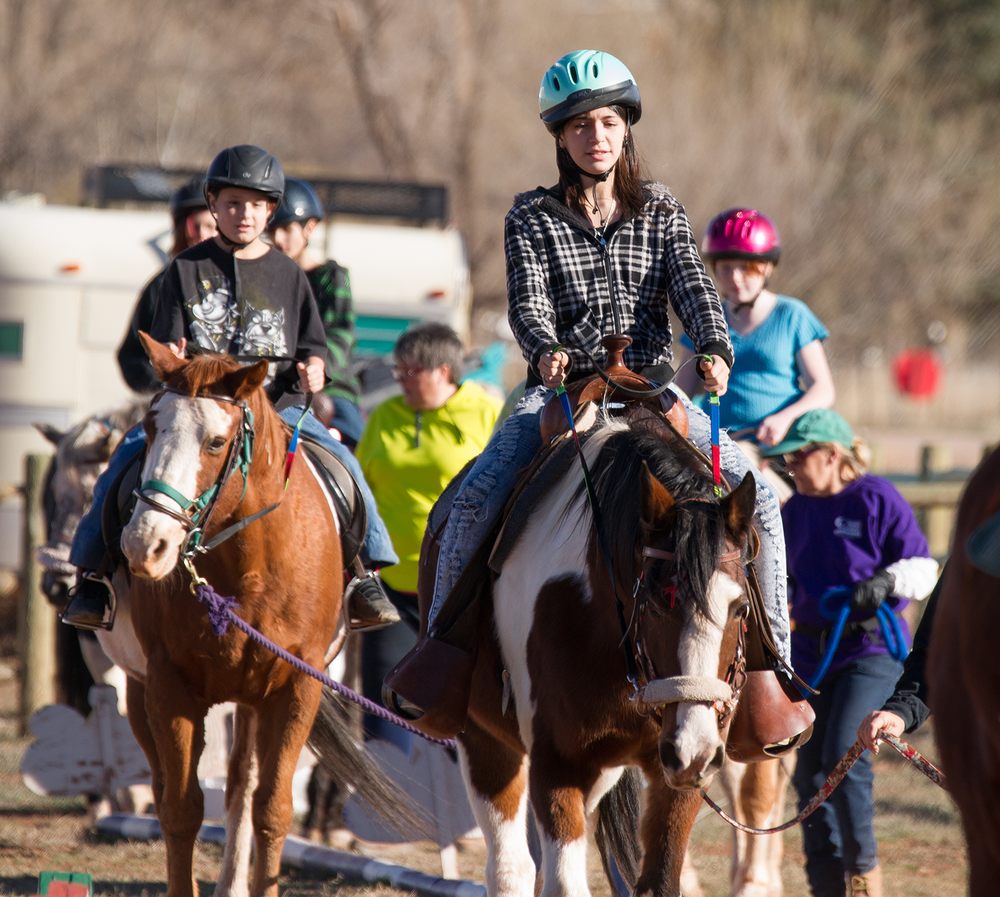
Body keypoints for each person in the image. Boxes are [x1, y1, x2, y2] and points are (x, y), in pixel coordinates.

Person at [384, 49, 792, 727]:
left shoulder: (660, 209)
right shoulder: (530, 217)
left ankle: (766, 670)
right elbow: (528, 304)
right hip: (561, 392)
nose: (595, 136)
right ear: (559, 136)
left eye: (607, 121)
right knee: (473, 497)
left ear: (626, 126)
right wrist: (544, 351)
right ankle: (443, 654)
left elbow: (693, 285)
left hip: (653, 394)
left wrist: (714, 344)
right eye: (579, 126)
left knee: (764, 503)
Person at [62, 144, 399, 632]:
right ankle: (93, 578)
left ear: (271, 210)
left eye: (257, 205)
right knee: (126, 459)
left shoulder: (290, 275)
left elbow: (313, 343)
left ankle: (365, 578)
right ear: (214, 204)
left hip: (274, 409)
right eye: (233, 203)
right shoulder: (183, 269)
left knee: (342, 461)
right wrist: (172, 358)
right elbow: (164, 344)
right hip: (196, 411)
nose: (245, 214)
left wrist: (316, 367)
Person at [761, 409, 938, 897]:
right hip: (810, 657)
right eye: (786, 460)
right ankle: (825, 881)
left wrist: (884, 583)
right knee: (809, 772)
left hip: (869, 649)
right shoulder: (792, 513)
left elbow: (924, 566)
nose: (791, 467)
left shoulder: (875, 497)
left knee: (847, 746)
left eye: (799, 456)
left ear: (831, 454)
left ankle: (863, 876)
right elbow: (781, 581)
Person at [355, 323, 501, 747]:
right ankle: (386, 799)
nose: (400, 381)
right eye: (397, 372)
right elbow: (363, 489)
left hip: (460, 592)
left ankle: (459, 801)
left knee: (461, 708)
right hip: (394, 585)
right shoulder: (385, 415)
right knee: (384, 706)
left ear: (442, 371)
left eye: (409, 372)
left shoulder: (485, 412)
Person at [268, 178, 365, 449]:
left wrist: (318, 367)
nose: (278, 239)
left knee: (353, 450)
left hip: (329, 387)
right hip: (277, 387)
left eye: (287, 229)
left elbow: (341, 335)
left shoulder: (331, 278)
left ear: (309, 227)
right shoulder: (263, 279)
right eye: (272, 229)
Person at [116, 177, 218, 394]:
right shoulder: (162, 285)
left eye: (210, 226)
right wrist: (167, 381)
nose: (201, 235)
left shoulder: (240, 280)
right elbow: (132, 356)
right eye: (194, 227)